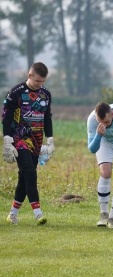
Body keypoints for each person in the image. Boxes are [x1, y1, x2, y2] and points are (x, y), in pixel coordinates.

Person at [2, 62, 54, 225]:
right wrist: (7, 139)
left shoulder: (46, 94)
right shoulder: (15, 93)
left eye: (43, 82)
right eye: (38, 81)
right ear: (30, 75)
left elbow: (47, 117)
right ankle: (38, 213)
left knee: (24, 177)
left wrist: (50, 139)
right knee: (30, 173)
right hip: (19, 139)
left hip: (37, 141)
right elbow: (6, 117)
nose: (40, 85)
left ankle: (12, 214)